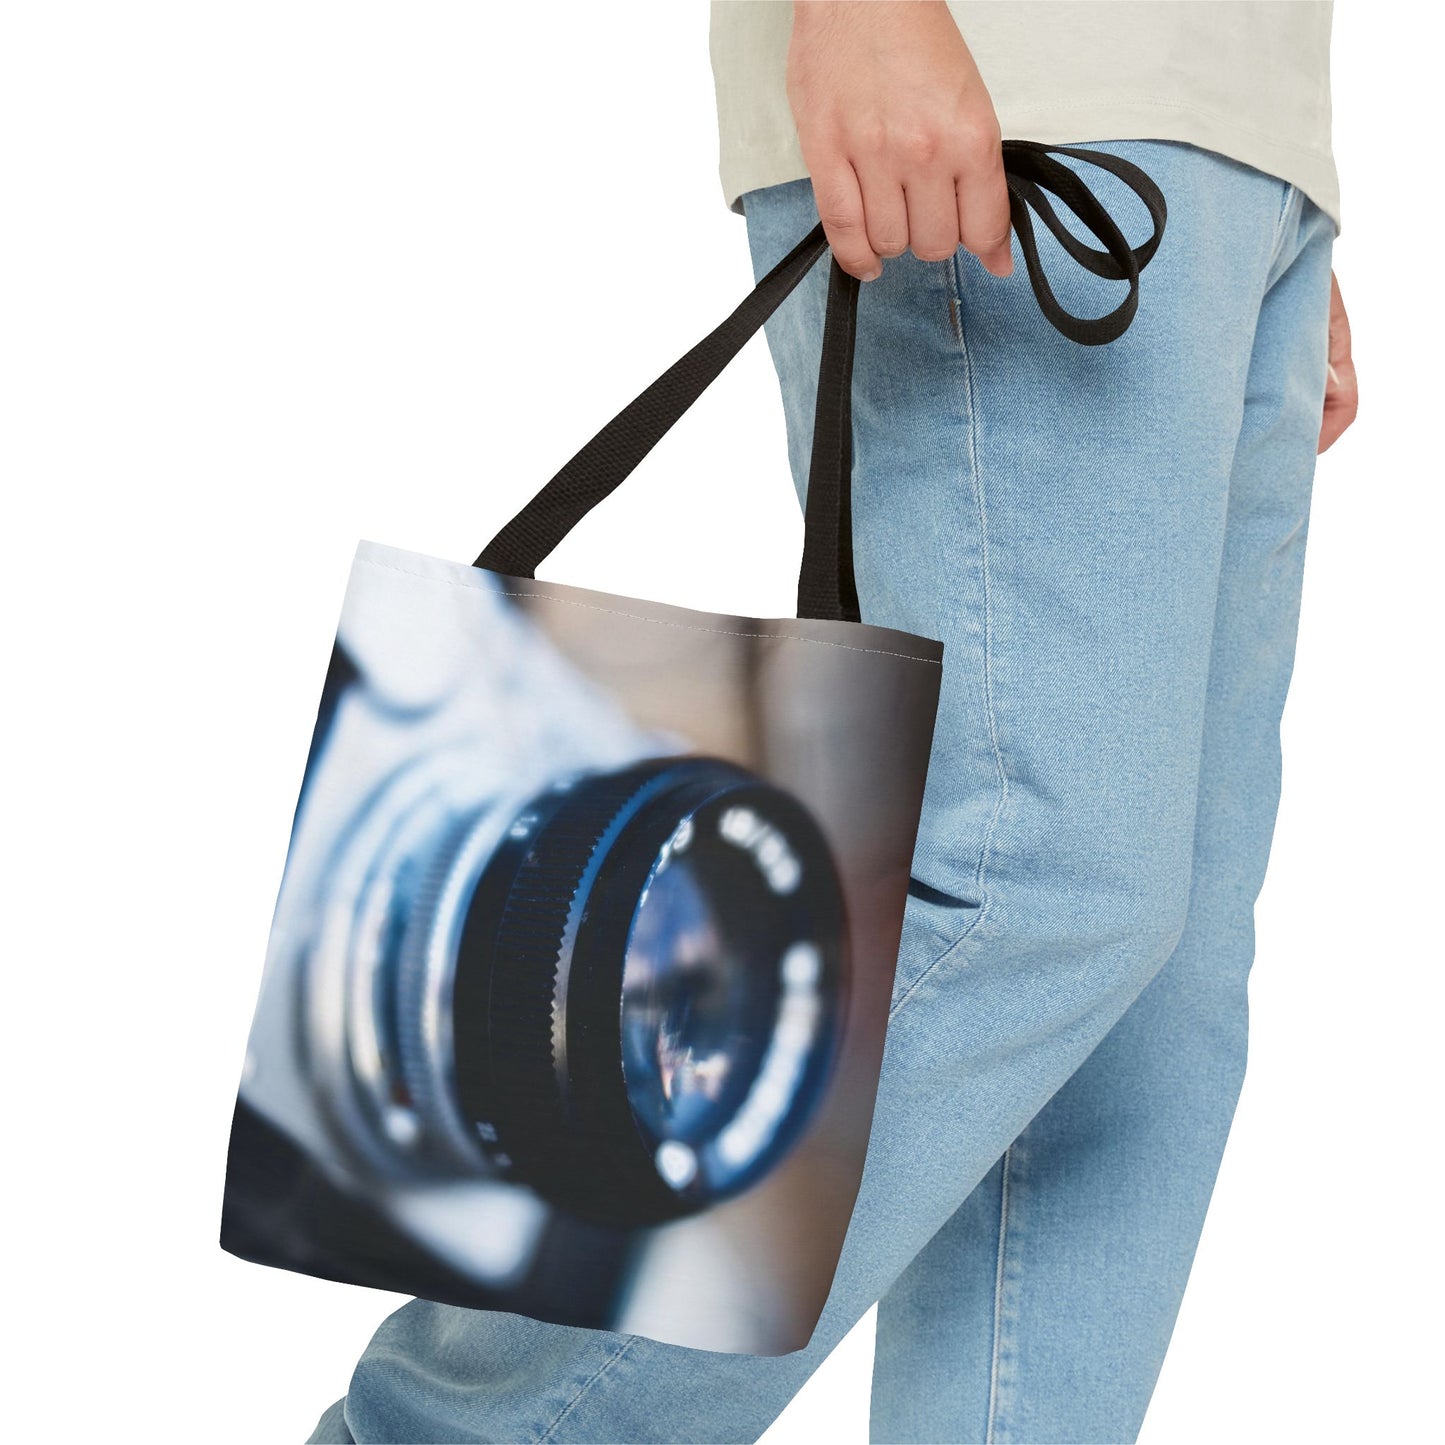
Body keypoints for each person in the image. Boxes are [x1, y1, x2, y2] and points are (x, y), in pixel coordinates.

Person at [310, 3, 1357, 1440]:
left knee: (1144, 1013)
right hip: (1015, 77)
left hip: (1222, 137)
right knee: (1022, 883)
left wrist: (1269, 174)